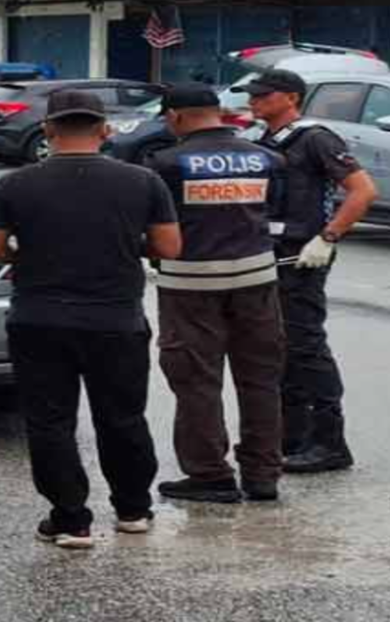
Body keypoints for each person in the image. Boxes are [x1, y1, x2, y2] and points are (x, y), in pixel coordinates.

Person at [0, 89, 182, 549]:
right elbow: (169, 248)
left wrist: (28, 253)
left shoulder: (14, 184)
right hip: (115, 320)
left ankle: (71, 519)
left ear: (48, 130)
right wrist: (124, 247)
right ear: (105, 130)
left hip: (38, 318)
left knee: (50, 421)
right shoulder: (142, 182)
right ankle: (132, 509)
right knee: (123, 417)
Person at [148, 84, 287, 504]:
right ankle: (263, 475)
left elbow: (154, 228)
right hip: (257, 281)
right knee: (261, 379)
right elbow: (277, 215)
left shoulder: (166, 164)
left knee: (196, 381)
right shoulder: (268, 158)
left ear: (174, 117)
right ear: (219, 112)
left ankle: (209, 474)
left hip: (189, 285)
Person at [237, 69, 378, 474]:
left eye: (264, 96)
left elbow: (363, 190)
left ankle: (329, 442)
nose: (255, 101)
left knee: (305, 346)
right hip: (272, 251)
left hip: (304, 255)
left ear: (290, 98)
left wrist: (328, 237)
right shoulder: (265, 140)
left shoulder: (315, 137)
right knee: (280, 348)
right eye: (253, 95)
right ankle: (292, 436)